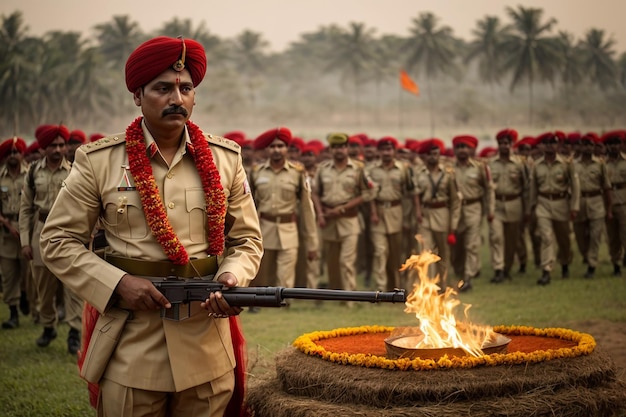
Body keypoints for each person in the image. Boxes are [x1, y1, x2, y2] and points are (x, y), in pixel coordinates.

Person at [39, 36, 263, 417]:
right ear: (138, 96)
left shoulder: (225, 159)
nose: (177, 97)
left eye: (185, 88)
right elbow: (58, 240)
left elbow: (246, 240)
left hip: (206, 345)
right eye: (163, 88)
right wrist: (117, 284)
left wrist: (232, 278)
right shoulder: (99, 161)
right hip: (132, 346)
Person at [19, 124, 83, 353]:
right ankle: (48, 326)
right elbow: (26, 208)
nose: (58, 149)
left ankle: (74, 332)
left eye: (62, 145)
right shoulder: (33, 172)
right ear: (44, 148)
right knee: (43, 288)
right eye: (53, 145)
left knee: (73, 287)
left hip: (71, 232)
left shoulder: (76, 170)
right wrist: (25, 242)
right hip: (42, 231)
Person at [249, 127, 318, 290]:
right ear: (267, 149)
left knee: (285, 274)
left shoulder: (297, 173)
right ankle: (261, 303)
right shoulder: (256, 172)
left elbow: (307, 209)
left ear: (287, 149)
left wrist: (312, 243)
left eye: (280, 146)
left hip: (289, 230)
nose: (276, 150)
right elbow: (249, 204)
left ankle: (284, 304)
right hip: (264, 229)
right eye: (272, 147)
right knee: (263, 274)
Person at [311, 133, 375, 296]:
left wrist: (344, 208)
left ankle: (350, 297)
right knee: (331, 263)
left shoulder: (358, 168)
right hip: (328, 220)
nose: (339, 150)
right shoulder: (322, 169)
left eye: (342, 147)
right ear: (330, 149)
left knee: (346, 261)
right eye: (335, 147)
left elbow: (367, 193)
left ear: (347, 148)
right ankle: (336, 294)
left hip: (349, 220)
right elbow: (315, 192)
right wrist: (319, 213)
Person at [368, 136, 421, 291]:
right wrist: (373, 212)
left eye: (389, 149)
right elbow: (369, 193)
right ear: (379, 152)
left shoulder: (403, 169)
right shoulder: (371, 170)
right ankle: (381, 288)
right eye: (383, 150)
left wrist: (416, 211)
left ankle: (398, 286)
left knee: (396, 253)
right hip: (378, 213)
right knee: (380, 251)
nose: (386, 153)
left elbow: (412, 191)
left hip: (396, 212)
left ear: (394, 151)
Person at [529, 132, 580, 285]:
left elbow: (575, 186)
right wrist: (532, 207)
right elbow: (533, 188)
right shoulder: (536, 165)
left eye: (553, 143)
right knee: (546, 237)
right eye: (546, 143)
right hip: (543, 203)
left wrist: (574, 206)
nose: (549, 146)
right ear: (542, 146)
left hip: (561, 204)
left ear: (558, 145)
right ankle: (546, 270)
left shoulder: (566, 163)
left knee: (564, 239)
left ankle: (565, 263)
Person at [414, 139, 461, 290]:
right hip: (426, 215)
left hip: (442, 215)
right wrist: (418, 211)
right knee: (425, 251)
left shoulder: (448, 174)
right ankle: (428, 285)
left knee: (442, 255)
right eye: (429, 154)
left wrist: (453, 226)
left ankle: (443, 284)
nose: (433, 157)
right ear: (425, 156)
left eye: (435, 154)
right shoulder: (419, 174)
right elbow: (416, 194)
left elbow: (455, 201)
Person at [450, 135, 494, 292]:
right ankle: (459, 271)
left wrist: (490, 209)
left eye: (465, 147)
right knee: (457, 247)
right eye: (459, 147)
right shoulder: (449, 168)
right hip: (455, 212)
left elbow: (489, 188)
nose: (462, 150)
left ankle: (468, 277)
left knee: (471, 244)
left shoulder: (479, 167)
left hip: (473, 208)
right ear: (455, 150)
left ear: (471, 149)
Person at [488, 129, 529, 283]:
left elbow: (526, 187)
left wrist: (527, 209)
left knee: (512, 240)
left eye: (506, 143)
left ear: (512, 144)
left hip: (514, 204)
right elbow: (488, 187)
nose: (503, 146)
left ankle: (507, 268)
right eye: (501, 144)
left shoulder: (520, 164)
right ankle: (498, 269)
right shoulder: (491, 164)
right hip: (497, 204)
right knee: (496, 237)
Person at [572, 132, 611, 278]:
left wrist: (609, 208)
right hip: (579, 202)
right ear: (581, 147)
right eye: (585, 145)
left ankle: (592, 265)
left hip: (596, 202)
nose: (587, 148)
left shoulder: (600, 165)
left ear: (593, 147)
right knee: (580, 237)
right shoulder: (573, 165)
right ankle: (586, 255)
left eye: (590, 145)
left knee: (595, 235)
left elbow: (607, 187)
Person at [0, 137, 29, 329]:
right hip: (5, 232)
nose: (13, 156)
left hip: (27, 229)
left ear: (21, 154)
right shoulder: (0, 177)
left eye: (16, 152)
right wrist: (6, 224)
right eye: (9, 152)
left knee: (27, 274)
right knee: (9, 274)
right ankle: (13, 313)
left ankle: (26, 296)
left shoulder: (30, 174)